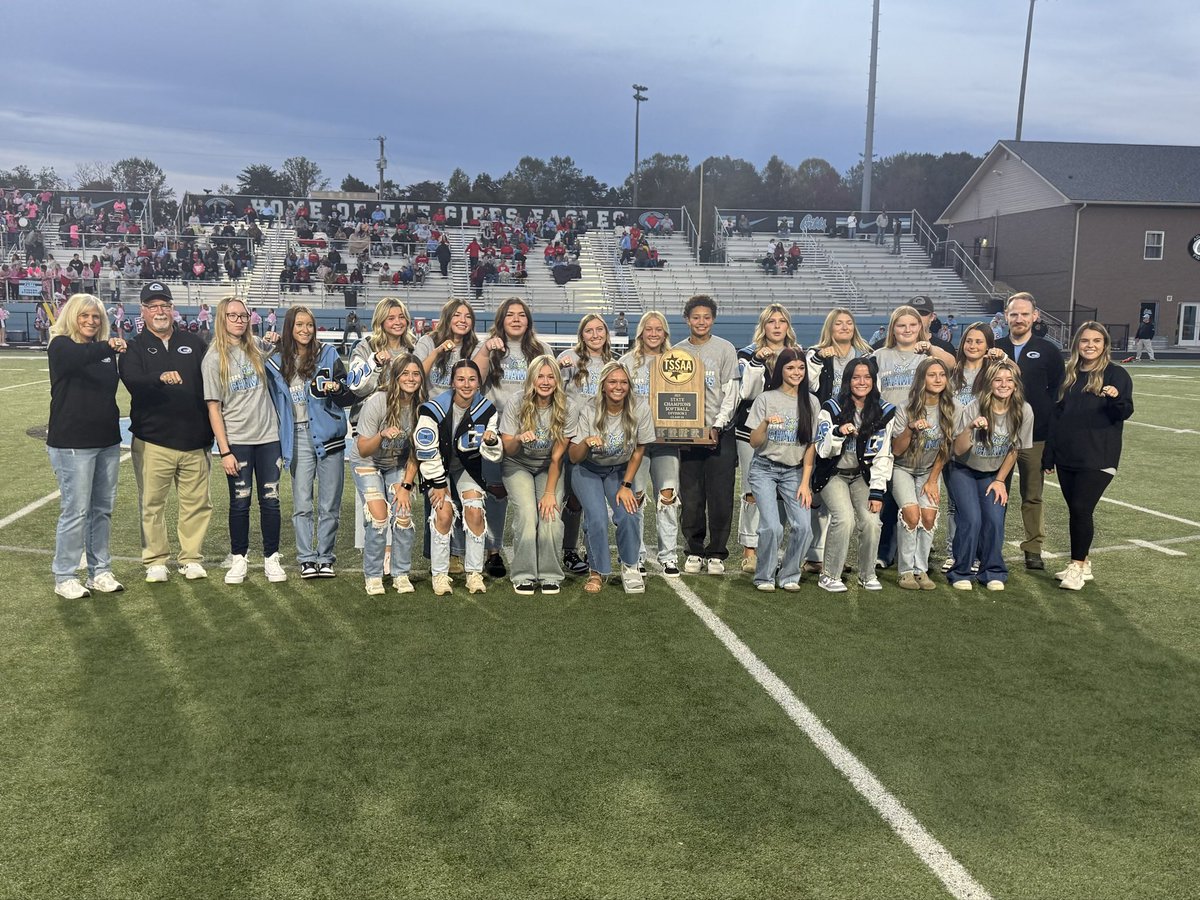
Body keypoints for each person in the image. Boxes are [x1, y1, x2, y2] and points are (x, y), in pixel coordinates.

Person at [119, 282, 213, 583]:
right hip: (152, 440)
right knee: (151, 503)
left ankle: (191, 558)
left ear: (172, 309)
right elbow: (132, 379)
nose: (159, 311)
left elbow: (213, 378)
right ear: (143, 311)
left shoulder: (194, 342)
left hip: (194, 439)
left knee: (196, 503)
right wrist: (158, 377)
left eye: (164, 305)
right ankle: (156, 560)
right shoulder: (134, 346)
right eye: (153, 306)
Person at [46, 293, 127, 599]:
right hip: (72, 443)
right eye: (84, 316)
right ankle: (65, 575)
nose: (91, 321)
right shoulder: (61, 345)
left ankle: (100, 571)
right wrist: (108, 345)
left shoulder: (105, 351)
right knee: (76, 511)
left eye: (96, 317)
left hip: (106, 440)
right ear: (72, 317)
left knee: (102, 510)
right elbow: (78, 358)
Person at [1042, 323, 1134, 591]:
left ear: (1105, 344)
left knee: (1082, 508)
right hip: (1068, 455)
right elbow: (1056, 417)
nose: (1090, 345)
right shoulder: (1069, 374)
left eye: (1096, 340)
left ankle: (1076, 566)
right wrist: (1050, 453)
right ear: (1076, 345)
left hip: (1099, 455)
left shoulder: (1116, 374)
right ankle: (1084, 563)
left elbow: (1124, 412)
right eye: (1084, 341)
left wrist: (1115, 398)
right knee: (1076, 511)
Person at [265, 306, 355, 579]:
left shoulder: (328, 354)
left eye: (310, 325)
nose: (305, 330)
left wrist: (337, 388)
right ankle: (306, 558)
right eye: (299, 325)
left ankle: (325, 557)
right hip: (298, 435)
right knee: (302, 502)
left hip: (329, 435)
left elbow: (347, 397)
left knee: (330, 503)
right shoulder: (277, 360)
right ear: (289, 328)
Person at [203, 296, 286, 585]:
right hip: (237, 441)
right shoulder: (213, 358)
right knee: (240, 502)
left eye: (243, 315)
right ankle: (239, 558)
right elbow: (214, 408)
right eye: (233, 315)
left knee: (271, 501)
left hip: (269, 437)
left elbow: (283, 352)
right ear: (221, 319)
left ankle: (271, 558)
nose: (239, 320)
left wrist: (276, 339)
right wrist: (224, 450)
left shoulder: (258, 348)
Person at [474, 298, 548, 578]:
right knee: (496, 491)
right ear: (501, 320)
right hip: (495, 428)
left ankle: (536, 551)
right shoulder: (490, 347)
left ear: (528, 320)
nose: (516, 319)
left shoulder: (542, 350)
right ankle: (492, 551)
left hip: (531, 430)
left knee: (535, 494)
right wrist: (485, 350)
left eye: (521, 315)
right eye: (510, 315)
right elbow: (475, 380)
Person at [414, 360, 502, 596]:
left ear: (479, 382)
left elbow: (493, 452)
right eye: (461, 379)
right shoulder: (432, 409)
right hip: (437, 466)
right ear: (452, 382)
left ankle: (473, 572)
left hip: (466, 466)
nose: (466, 384)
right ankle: (440, 575)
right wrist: (439, 483)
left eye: (472, 379)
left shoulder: (488, 410)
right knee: (443, 511)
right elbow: (425, 450)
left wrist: (493, 442)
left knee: (474, 510)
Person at [568, 362, 654, 594]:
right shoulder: (589, 410)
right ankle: (596, 571)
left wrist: (626, 485)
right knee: (596, 517)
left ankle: (630, 566)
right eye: (613, 382)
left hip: (618, 470)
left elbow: (639, 450)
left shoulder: (640, 408)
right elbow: (574, 457)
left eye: (623, 382)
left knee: (629, 513)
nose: (618, 387)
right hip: (587, 469)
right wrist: (586, 443)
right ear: (603, 386)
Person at [947, 359, 1033, 591]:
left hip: (992, 473)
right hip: (962, 469)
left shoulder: (1024, 410)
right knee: (972, 518)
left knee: (995, 518)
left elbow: (1014, 449)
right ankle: (961, 571)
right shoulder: (974, 407)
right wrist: (971, 428)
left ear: (1016, 385)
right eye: (998, 380)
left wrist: (1000, 481)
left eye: (1009, 380)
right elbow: (957, 449)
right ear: (989, 383)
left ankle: (992, 570)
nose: (1003, 384)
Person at [995, 292, 1064, 571]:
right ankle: (991, 545)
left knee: (1032, 494)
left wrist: (1053, 443)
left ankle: (1033, 548)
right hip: (998, 437)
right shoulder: (994, 347)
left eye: (1025, 314)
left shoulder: (1048, 351)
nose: (1019, 319)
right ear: (1006, 316)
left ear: (1035, 316)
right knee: (996, 492)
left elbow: (1058, 395)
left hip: (1035, 437)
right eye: (1014, 314)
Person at [813, 359, 895, 592]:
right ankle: (829, 574)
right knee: (845, 518)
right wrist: (838, 432)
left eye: (867, 377)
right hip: (833, 473)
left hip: (862, 475)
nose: (862, 382)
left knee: (871, 520)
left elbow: (883, 454)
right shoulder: (832, 407)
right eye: (856, 377)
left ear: (874, 380)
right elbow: (822, 449)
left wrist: (877, 492)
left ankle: (867, 573)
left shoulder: (883, 411)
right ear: (847, 381)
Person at [677, 295, 740, 575]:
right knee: (691, 494)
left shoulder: (726, 349)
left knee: (720, 495)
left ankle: (717, 552)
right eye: (696, 317)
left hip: (719, 433)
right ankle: (693, 548)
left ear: (713, 319)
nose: (701, 322)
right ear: (687, 319)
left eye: (706, 317)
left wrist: (718, 424)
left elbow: (731, 393)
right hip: (687, 436)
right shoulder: (676, 351)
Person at [745, 348, 818, 592]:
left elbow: (811, 446)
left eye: (800, 368)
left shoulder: (812, 402)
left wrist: (805, 483)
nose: (796, 372)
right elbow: (754, 443)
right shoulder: (766, 399)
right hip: (764, 468)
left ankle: (789, 575)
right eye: (790, 368)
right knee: (772, 527)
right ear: (780, 370)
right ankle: (764, 576)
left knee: (803, 527)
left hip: (795, 471)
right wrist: (765, 422)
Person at [735, 304, 800, 576]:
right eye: (771, 321)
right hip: (752, 429)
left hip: (789, 431)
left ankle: (775, 547)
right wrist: (757, 363)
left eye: (781, 321)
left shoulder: (798, 354)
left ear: (787, 326)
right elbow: (746, 392)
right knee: (753, 489)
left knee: (784, 492)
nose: (776, 326)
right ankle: (750, 550)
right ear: (763, 325)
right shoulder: (748, 353)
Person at [352, 355, 426, 595]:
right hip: (368, 460)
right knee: (378, 516)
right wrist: (382, 435)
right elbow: (363, 448)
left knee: (403, 513)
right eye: (405, 373)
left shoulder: (422, 406)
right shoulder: (377, 401)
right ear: (395, 377)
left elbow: (418, 451)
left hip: (397, 463)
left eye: (415, 374)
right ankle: (373, 575)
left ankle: (400, 573)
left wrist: (406, 486)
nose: (410, 379)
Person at [499, 355, 570, 595]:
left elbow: (557, 457)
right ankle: (524, 574)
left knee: (550, 513)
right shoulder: (516, 402)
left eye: (551, 376)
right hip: (517, 463)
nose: (546, 381)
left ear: (558, 380)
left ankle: (550, 574)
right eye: (540, 376)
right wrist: (519, 438)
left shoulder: (565, 405)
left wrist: (550, 493)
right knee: (528, 514)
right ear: (531, 378)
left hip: (549, 466)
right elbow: (507, 448)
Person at [618, 311, 681, 576]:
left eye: (659, 329)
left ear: (665, 333)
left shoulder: (677, 361)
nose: (653, 334)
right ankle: (638, 554)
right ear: (640, 332)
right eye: (648, 329)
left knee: (668, 495)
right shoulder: (626, 362)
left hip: (667, 439)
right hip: (636, 442)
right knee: (638, 497)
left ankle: (669, 555)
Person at [557, 314, 615, 575]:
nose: (594, 335)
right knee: (568, 496)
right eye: (589, 331)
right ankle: (567, 550)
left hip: (602, 438)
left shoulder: (614, 363)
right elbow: (550, 390)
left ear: (606, 333)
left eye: (599, 329)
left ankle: (586, 550)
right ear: (581, 335)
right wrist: (561, 371)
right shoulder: (569, 358)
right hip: (571, 436)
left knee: (588, 500)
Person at [889, 358, 954, 590]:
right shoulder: (905, 408)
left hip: (928, 471)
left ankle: (921, 569)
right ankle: (905, 571)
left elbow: (946, 448)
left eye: (942, 375)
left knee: (928, 517)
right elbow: (896, 450)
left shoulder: (950, 408)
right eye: (931, 374)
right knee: (912, 515)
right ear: (921, 378)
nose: (937, 379)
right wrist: (911, 428)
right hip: (902, 469)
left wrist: (933, 480)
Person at [415, 299, 479, 393]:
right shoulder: (427, 342)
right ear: (447, 318)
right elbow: (415, 377)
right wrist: (436, 352)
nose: (463, 320)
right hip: (429, 405)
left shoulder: (476, 347)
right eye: (456, 315)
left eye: (468, 317)